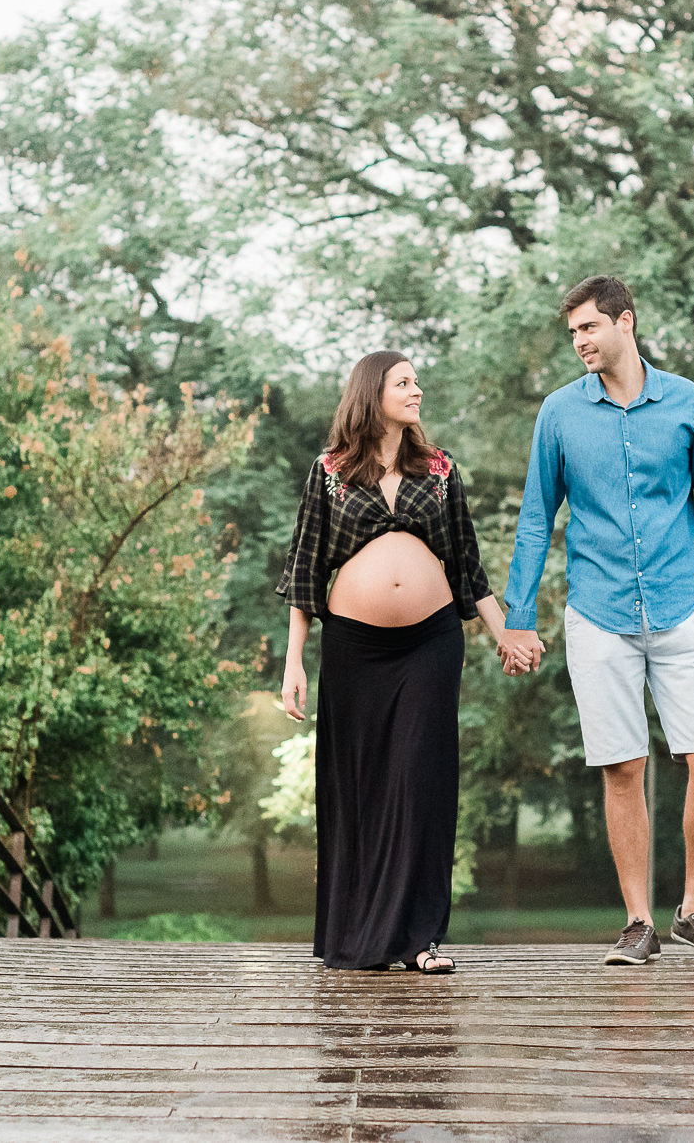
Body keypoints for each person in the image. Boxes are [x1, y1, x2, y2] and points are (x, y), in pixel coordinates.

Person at [500, 276, 694, 966]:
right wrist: (518, 618)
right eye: (573, 333)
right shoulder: (559, 413)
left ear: (625, 322)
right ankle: (638, 922)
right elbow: (536, 520)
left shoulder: (685, 401)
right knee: (622, 766)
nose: (580, 342)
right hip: (598, 612)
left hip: (679, 605)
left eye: (589, 327)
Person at [277, 350, 530, 974]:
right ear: (373, 393)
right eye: (404, 383)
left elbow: (468, 566)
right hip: (354, 648)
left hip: (430, 643)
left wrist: (506, 634)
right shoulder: (330, 471)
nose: (418, 391)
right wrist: (294, 663)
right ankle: (357, 935)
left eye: (417, 382)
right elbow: (306, 569)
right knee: (360, 784)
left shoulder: (439, 470)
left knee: (422, 781)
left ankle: (421, 938)